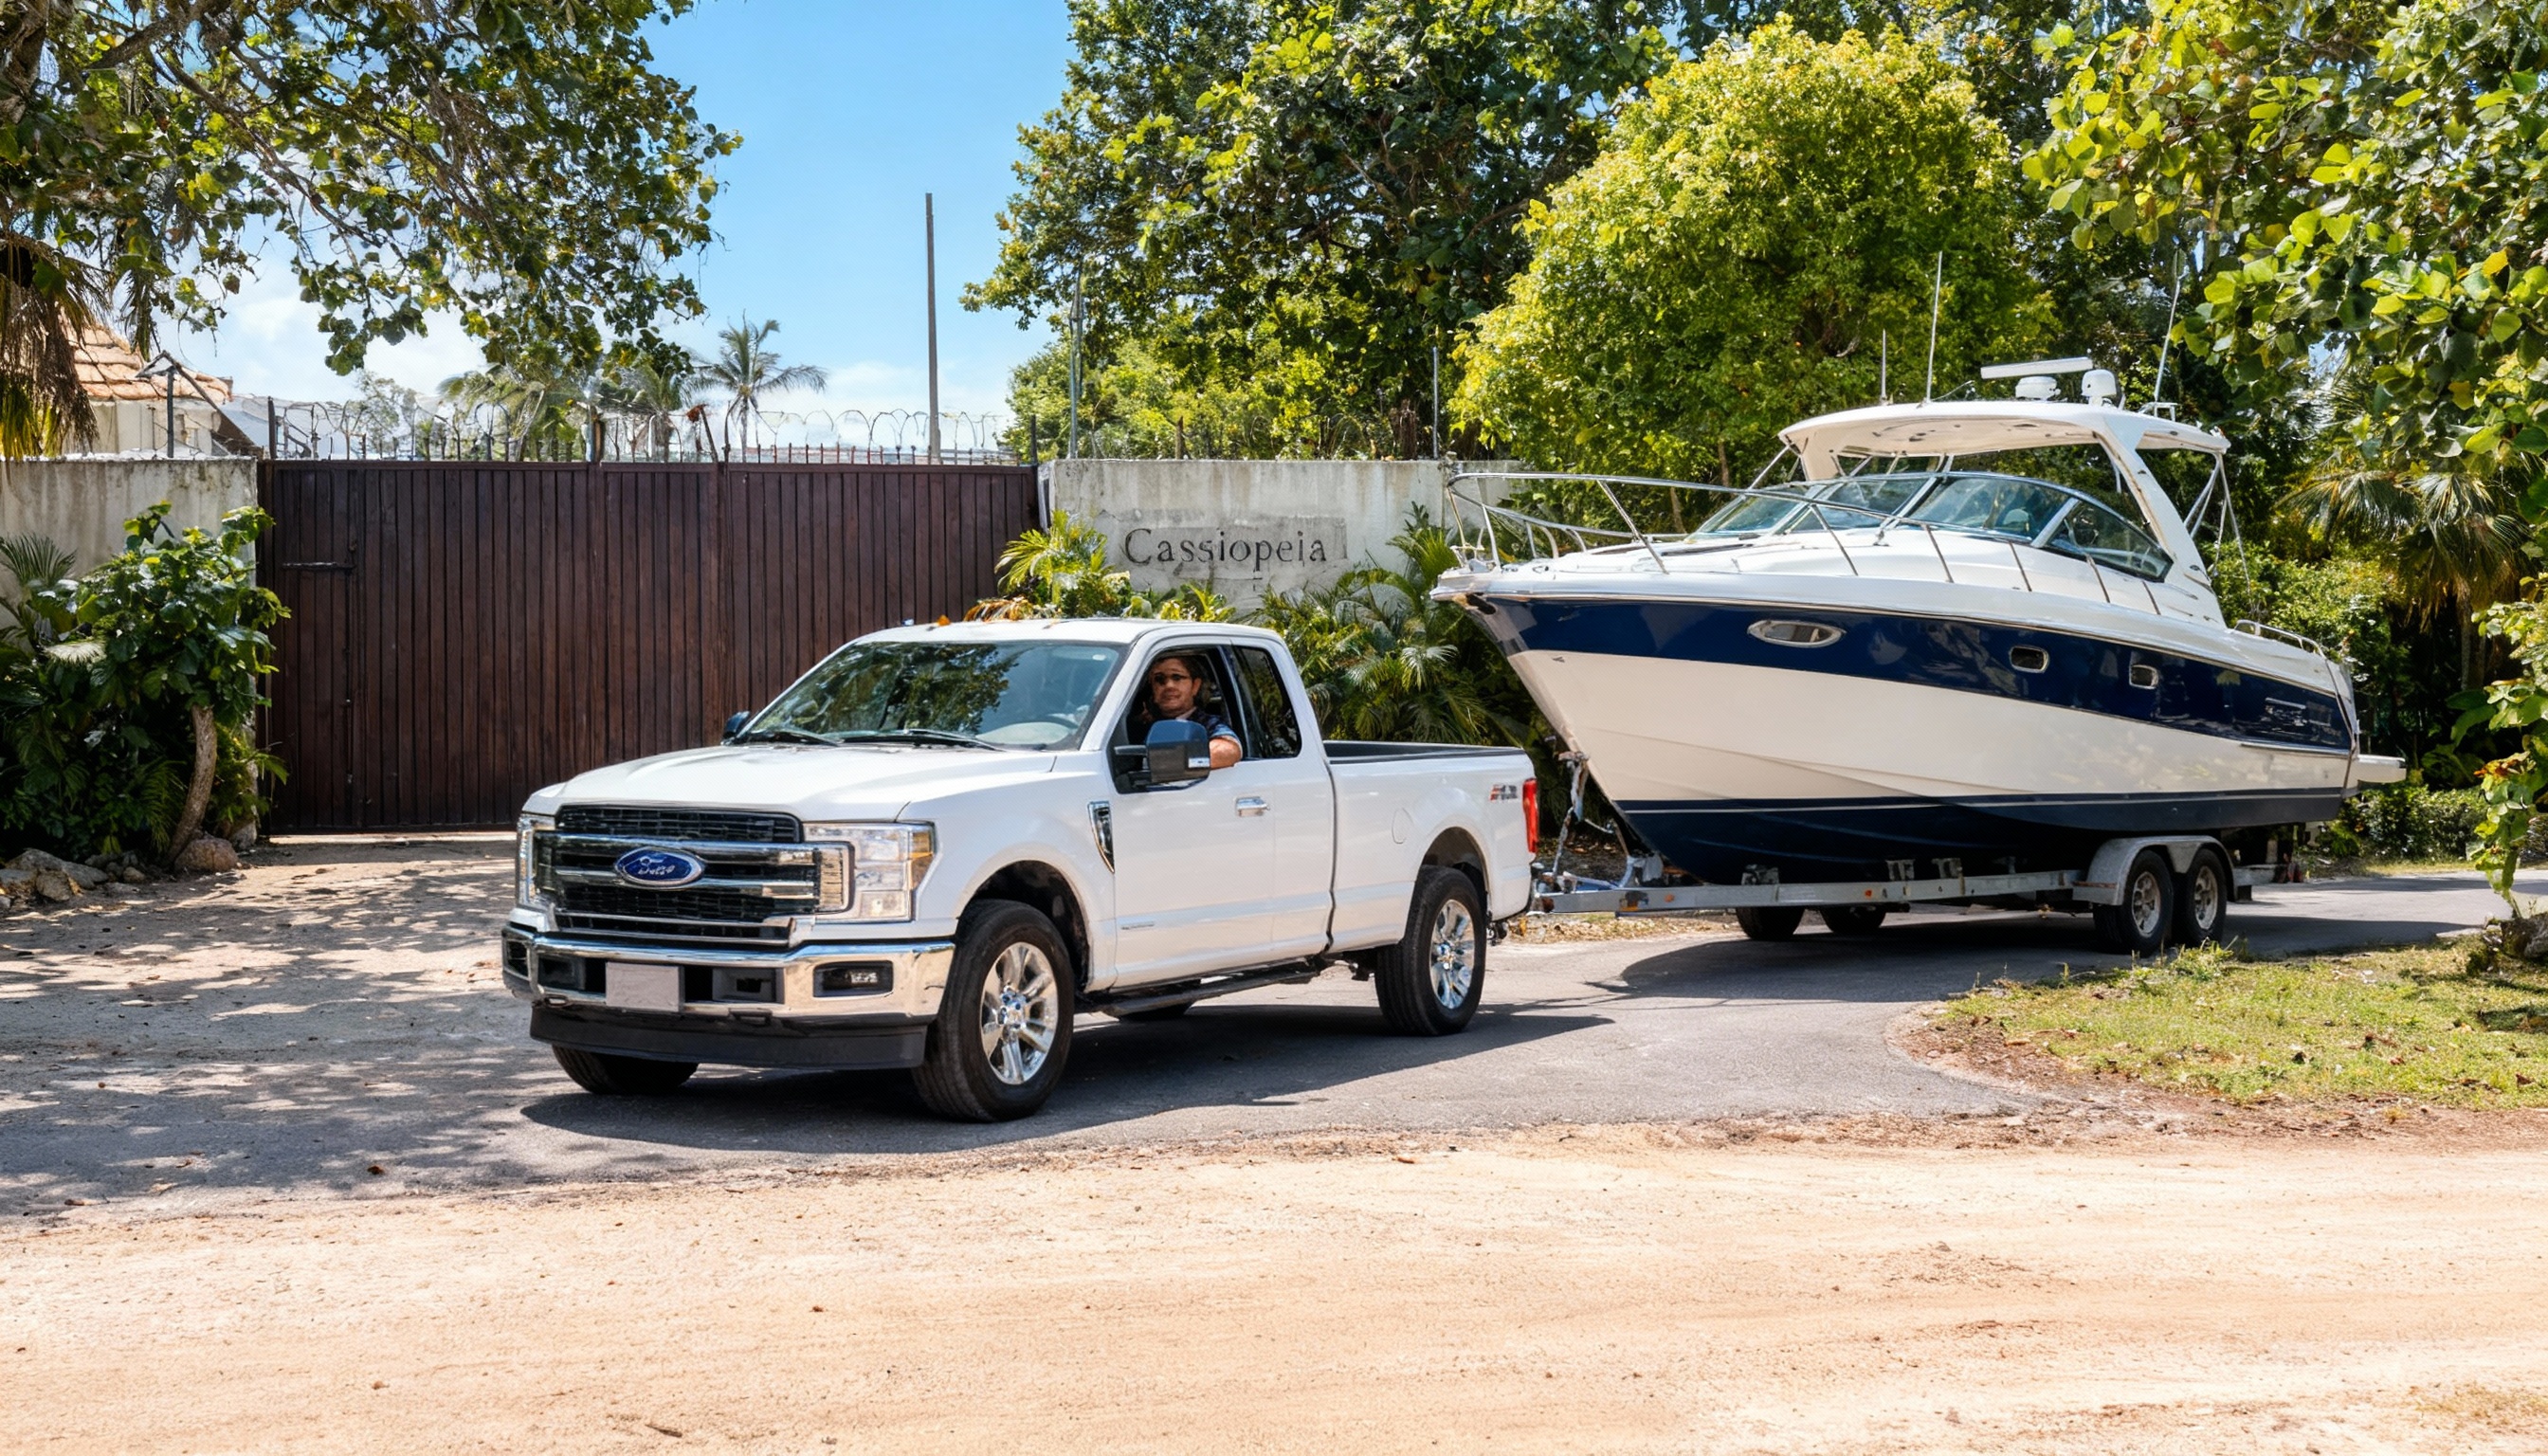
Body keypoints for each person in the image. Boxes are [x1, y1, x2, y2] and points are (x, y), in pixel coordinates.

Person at [1137, 652, 1243, 769]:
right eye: (1159, 679)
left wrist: (1174, 762)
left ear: (1195, 686)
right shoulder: (1138, 727)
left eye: (1177, 677)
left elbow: (1229, 749)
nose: (1169, 685)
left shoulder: (1208, 724)